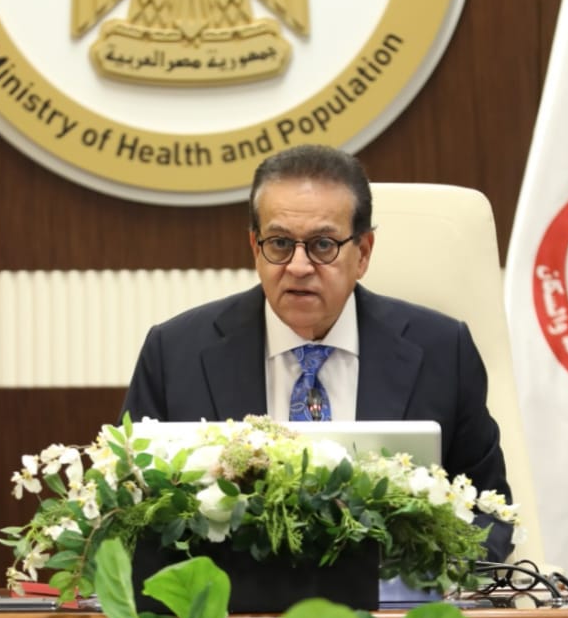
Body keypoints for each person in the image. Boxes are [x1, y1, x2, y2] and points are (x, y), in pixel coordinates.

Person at [121, 144, 514, 562]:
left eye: (322, 245)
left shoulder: (442, 352)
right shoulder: (175, 354)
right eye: (279, 243)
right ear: (255, 247)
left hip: (388, 599)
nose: (298, 266)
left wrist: (421, 572)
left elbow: (489, 518)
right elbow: (128, 517)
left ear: (363, 253)